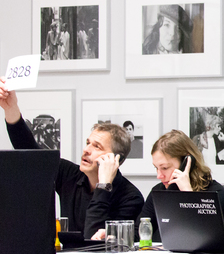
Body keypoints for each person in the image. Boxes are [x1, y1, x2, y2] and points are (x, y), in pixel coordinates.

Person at [0, 79, 144, 238]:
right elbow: (32, 155)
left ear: (116, 159)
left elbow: (92, 239)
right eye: (88, 143)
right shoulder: (70, 175)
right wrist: (11, 108)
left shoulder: (131, 198)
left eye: (97, 146)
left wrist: (103, 187)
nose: (86, 150)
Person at [138, 130, 224, 242]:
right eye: (156, 168)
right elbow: (138, 235)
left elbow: (204, 238)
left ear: (186, 162)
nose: (159, 176)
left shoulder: (216, 193)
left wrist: (188, 193)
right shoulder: (158, 192)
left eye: (165, 168)